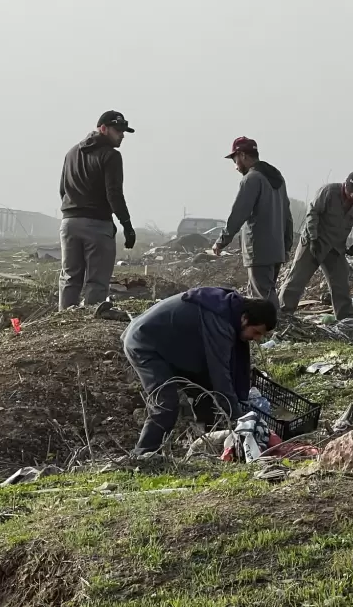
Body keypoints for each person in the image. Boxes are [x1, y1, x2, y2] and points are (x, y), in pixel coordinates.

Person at [123, 286, 277, 455]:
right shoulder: (220, 319)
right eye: (256, 332)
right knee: (166, 404)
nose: (256, 339)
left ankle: (208, 444)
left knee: (203, 389)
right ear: (245, 319)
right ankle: (143, 455)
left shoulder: (228, 308)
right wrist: (239, 419)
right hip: (144, 344)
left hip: (172, 347)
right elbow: (221, 374)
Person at [58, 110, 136, 310]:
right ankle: (91, 325)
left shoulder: (71, 153)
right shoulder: (111, 156)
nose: (122, 135)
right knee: (97, 281)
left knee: (70, 277)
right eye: (118, 130)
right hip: (97, 225)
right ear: (103, 129)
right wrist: (126, 225)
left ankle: (63, 320)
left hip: (69, 224)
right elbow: (114, 194)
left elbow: (62, 190)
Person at [213, 137, 293, 306]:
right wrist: (286, 245)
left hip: (259, 249)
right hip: (276, 248)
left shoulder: (252, 179)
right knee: (262, 293)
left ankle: (270, 330)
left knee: (261, 299)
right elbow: (287, 214)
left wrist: (222, 241)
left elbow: (238, 214)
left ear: (242, 155)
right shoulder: (277, 178)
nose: (235, 166)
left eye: (235, 160)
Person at [279, 172, 353, 320]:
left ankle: (346, 320)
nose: (352, 195)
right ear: (345, 184)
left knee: (341, 285)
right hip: (314, 243)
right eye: (350, 191)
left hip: (336, 247)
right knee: (297, 279)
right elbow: (313, 213)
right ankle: (283, 314)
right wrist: (313, 239)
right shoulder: (328, 192)